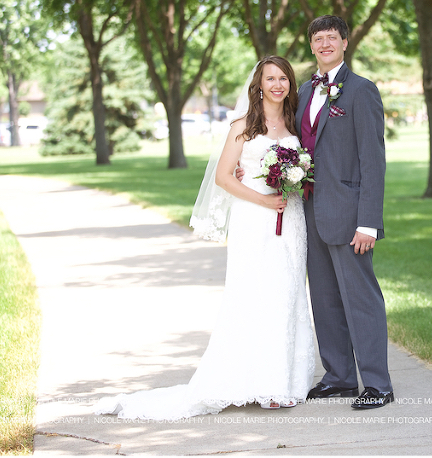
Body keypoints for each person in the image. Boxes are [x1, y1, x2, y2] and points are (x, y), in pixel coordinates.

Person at [92, 55, 315, 419]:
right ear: (258, 85)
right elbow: (224, 177)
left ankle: (286, 380)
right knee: (255, 292)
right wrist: (263, 199)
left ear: (291, 84)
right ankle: (260, 382)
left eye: (283, 79)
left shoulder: (293, 123)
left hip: (290, 219)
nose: (277, 85)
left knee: (288, 291)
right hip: (255, 217)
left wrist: (292, 182)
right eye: (270, 78)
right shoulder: (243, 125)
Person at [299, 15, 393, 409]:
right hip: (309, 213)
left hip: (351, 216)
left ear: (344, 43)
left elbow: (373, 161)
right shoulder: (304, 91)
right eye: (317, 39)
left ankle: (378, 385)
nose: (324, 44)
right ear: (312, 46)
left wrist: (368, 221)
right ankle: (339, 377)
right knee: (324, 298)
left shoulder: (361, 91)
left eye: (331, 38)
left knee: (361, 300)